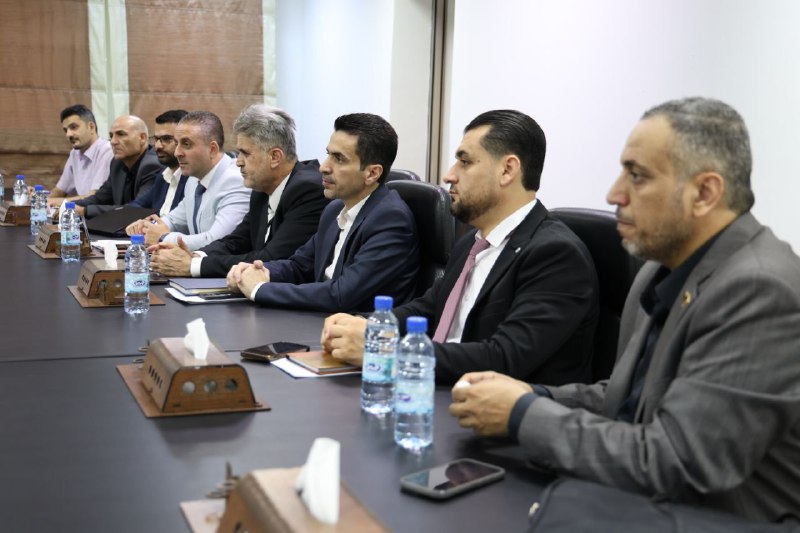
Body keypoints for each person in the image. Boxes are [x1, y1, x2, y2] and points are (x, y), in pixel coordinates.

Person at [449, 97, 800, 523]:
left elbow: (677, 460)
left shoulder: (759, 288)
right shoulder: (659, 268)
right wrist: (533, 395)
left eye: (637, 176)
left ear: (705, 193)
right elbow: (626, 397)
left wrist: (523, 415)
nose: (614, 194)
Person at [320, 110, 599, 385]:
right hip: (437, 389)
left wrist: (383, 349)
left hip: (492, 407)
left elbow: (504, 358)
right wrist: (367, 325)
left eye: (464, 162)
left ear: (507, 170)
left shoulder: (555, 255)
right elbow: (430, 310)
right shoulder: (472, 242)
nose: (449, 175)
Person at [227, 113, 419, 313]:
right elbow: (299, 266)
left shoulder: (391, 220)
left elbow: (341, 295)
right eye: (328, 154)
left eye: (339, 159)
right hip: (319, 319)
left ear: (372, 173)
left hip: (355, 327)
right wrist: (257, 272)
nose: (324, 167)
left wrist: (259, 289)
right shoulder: (334, 209)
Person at [146, 104, 328, 278]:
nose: (238, 161)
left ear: (275, 157)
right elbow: (236, 241)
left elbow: (271, 258)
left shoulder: (307, 190)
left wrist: (193, 266)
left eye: (245, 153)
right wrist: (195, 256)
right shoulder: (261, 189)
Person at [129, 111, 250, 250]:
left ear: (212, 149)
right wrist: (147, 228)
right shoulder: (193, 179)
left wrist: (163, 237)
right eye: (176, 143)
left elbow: (217, 241)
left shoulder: (236, 180)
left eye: (186, 144)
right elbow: (173, 220)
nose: (177, 153)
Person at [73, 115, 163, 218]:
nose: (113, 142)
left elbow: (137, 209)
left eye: (121, 134)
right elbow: (99, 198)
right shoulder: (117, 163)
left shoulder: (152, 165)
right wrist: (68, 205)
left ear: (142, 138)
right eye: (111, 136)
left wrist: (85, 211)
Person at [46, 104, 113, 206]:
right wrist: (41, 200)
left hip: (100, 213)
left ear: (91, 127)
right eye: (66, 130)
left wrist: (55, 202)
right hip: (82, 211)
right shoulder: (75, 153)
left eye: (74, 127)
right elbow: (60, 190)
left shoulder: (107, 150)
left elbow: (95, 197)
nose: (68, 134)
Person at [126, 109, 189, 217]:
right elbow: (136, 206)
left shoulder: (193, 178)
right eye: (156, 139)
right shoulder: (162, 175)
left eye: (166, 139)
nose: (158, 146)